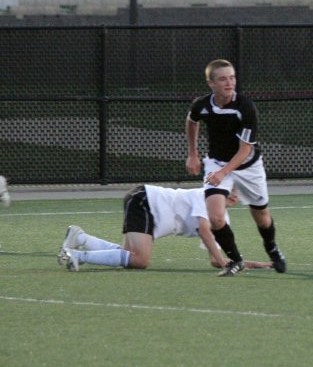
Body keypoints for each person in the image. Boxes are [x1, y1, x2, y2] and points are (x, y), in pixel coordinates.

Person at [186, 59, 286, 277]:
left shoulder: (245, 107)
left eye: (232, 78)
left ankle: (271, 247)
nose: (229, 83)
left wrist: (223, 173)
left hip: (248, 166)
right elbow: (192, 121)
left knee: (262, 216)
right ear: (211, 83)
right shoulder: (201, 105)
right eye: (223, 79)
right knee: (216, 218)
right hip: (217, 162)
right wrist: (192, 154)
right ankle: (236, 260)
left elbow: (243, 151)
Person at [56, 185, 273, 272]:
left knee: (129, 256)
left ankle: (80, 237)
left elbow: (216, 260)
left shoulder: (222, 219)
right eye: (231, 189)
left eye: (239, 191)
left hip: (143, 201)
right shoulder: (207, 195)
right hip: (144, 201)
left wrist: (247, 264)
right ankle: (77, 256)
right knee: (140, 260)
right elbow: (204, 231)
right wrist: (232, 264)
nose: (235, 194)